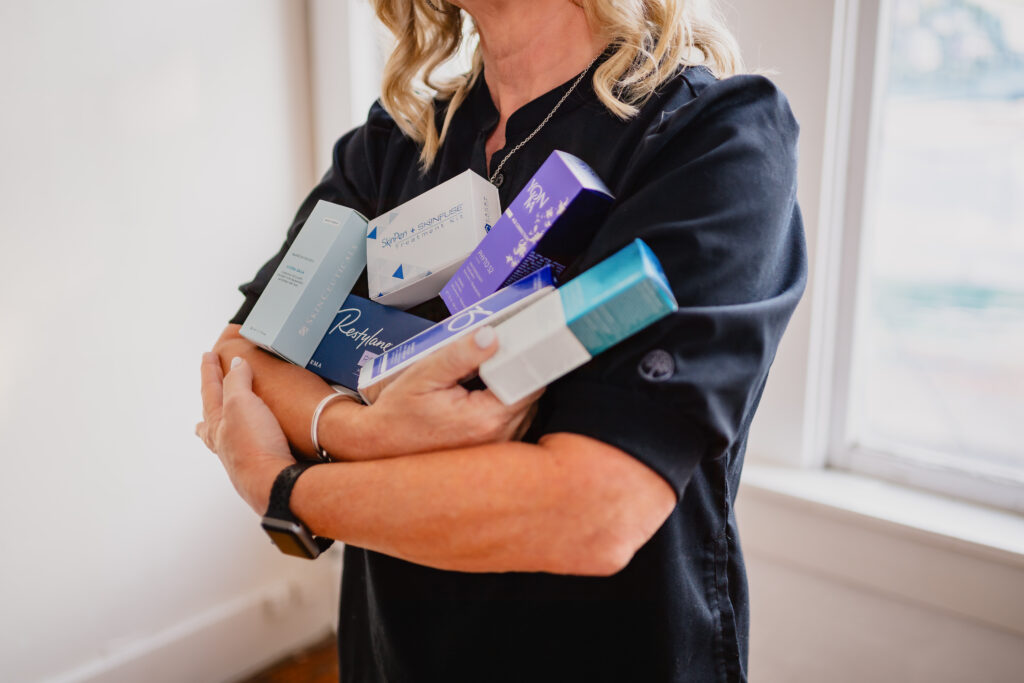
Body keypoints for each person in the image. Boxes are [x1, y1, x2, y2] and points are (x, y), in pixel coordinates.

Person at [197, 0, 806, 680]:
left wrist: (283, 489)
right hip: (396, 651)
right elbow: (243, 356)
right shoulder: (396, 140)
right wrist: (367, 433)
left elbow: (594, 511)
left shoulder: (709, 136)